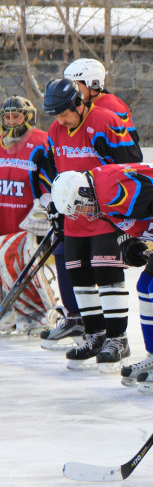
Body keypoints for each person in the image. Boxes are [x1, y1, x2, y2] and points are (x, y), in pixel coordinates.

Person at [50, 162, 153, 392]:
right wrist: (126, 239)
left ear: (84, 192)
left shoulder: (110, 189)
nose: (84, 215)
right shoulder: (97, 189)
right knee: (146, 285)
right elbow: (123, 213)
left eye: (80, 208)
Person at [42, 78, 142, 372]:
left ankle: (117, 338)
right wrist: (53, 206)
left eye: (63, 111)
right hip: (74, 218)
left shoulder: (105, 122)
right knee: (80, 274)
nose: (60, 118)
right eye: (55, 114)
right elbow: (53, 170)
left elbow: (132, 162)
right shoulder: (55, 130)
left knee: (106, 272)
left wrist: (123, 208)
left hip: (106, 215)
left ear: (78, 102)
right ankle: (95, 334)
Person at [0, 96, 58, 336]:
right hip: (5, 215)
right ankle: (10, 311)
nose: (12, 120)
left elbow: (51, 180)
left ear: (28, 116)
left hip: (28, 220)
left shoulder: (42, 142)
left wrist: (46, 206)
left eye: (17, 115)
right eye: (7, 116)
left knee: (21, 265)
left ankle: (39, 313)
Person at [64, 57, 138, 143]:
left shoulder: (113, 108)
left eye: (75, 84)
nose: (70, 89)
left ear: (93, 84)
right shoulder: (82, 104)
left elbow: (127, 145)